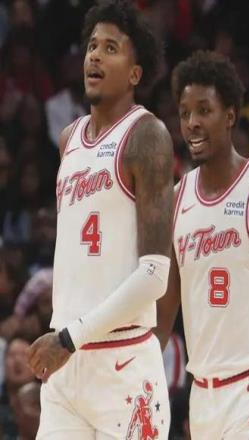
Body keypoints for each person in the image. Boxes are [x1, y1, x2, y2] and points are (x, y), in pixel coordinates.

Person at [26, 1, 174, 438]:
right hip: (67, 366)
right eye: (92, 46)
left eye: (111, 48)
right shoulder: (68, 139)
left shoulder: (147, 135)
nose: (95, 55)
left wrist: (71, 337)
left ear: (135, 73)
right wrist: (66, 337)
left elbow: (155, 275)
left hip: (121, 361)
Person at [154, 50, 249, 439]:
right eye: (185, 113)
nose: (192, 122)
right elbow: (164, 312)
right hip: (203, 396)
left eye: (204, 110)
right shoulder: (176, 200)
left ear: (231, 115)